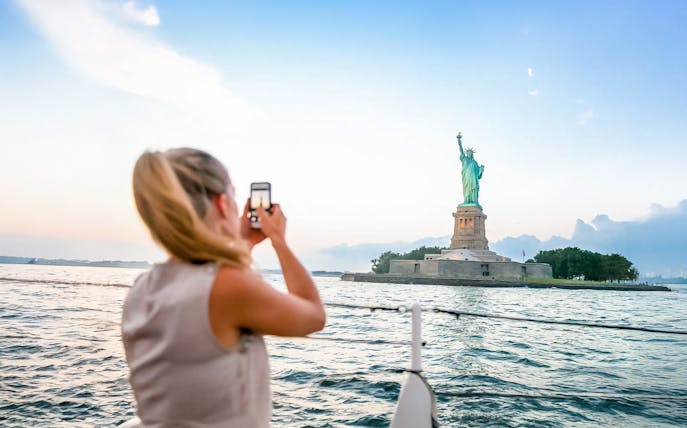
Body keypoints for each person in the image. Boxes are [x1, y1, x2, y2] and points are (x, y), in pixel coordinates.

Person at [122, 148, 326, 427]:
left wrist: (243, 241)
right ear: (221, 204)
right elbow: (313, 316)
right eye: (232, 192)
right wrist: (279, 240)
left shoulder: (142, 288)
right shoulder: (228, 286)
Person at [457, 132, 484, 206]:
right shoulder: (464, 159)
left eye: (470, 153)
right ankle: (466, 201)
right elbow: (461, 150)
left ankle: (474, 201)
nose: (469, 154)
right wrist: (459, 141)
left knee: (474, 189)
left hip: (473, 178)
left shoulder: (474, 162)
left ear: (472, 155)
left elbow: (478, 175)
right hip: (466, 178)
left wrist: (481, 169)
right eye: (468, 153)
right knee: (467, 190)